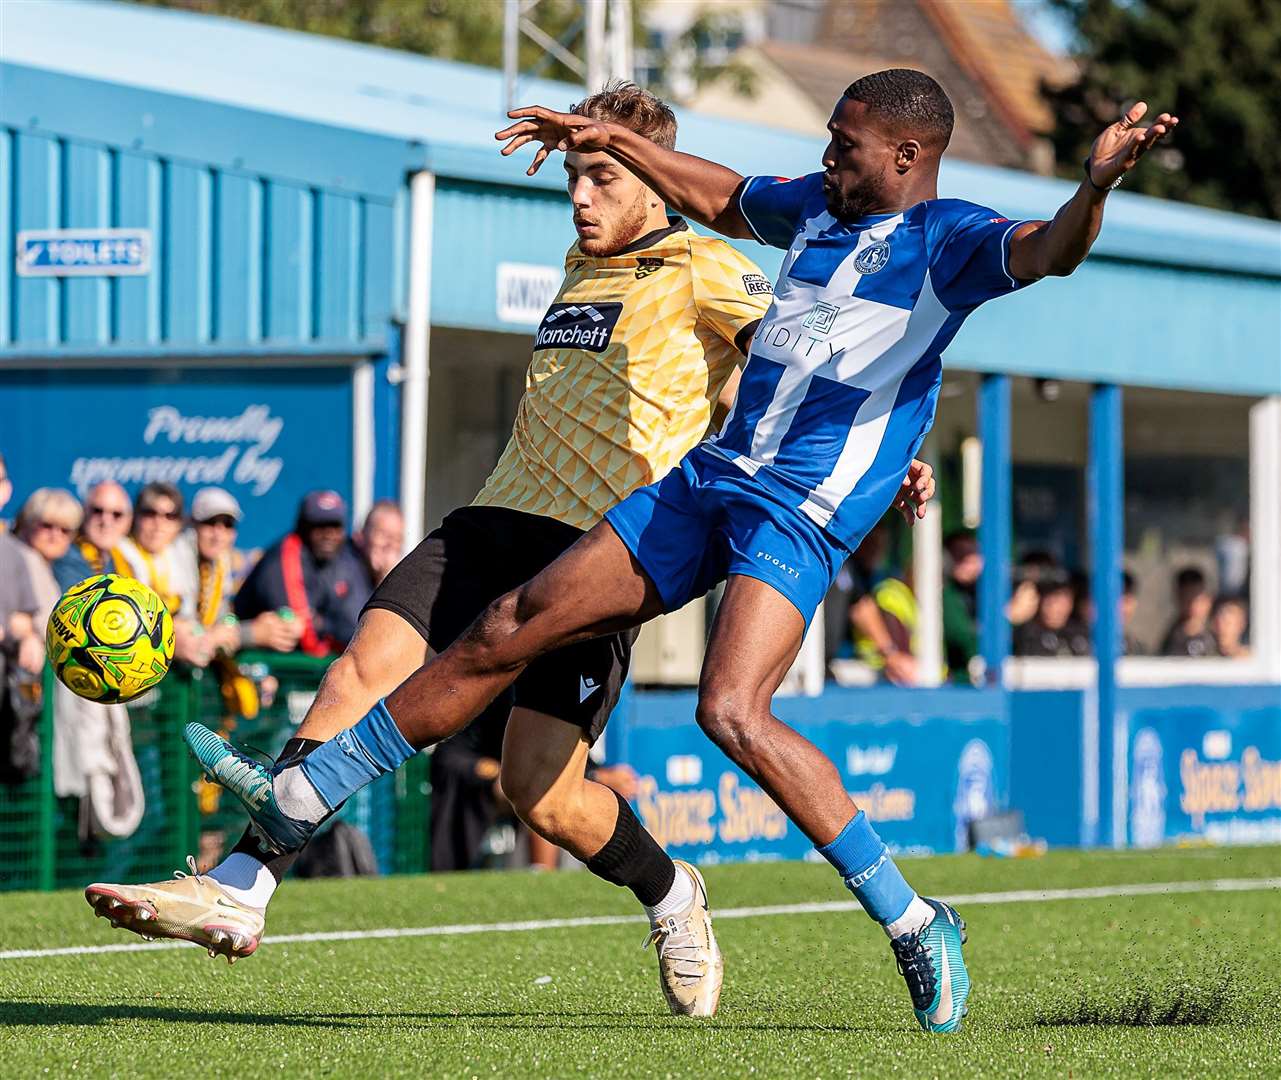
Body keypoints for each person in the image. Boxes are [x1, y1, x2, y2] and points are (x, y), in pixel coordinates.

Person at [183, 69, 1172, 1033]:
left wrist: (1092, 189)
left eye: (846, 142)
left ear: (909, 155)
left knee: (731, 712)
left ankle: (915, 921)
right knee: (511, 620)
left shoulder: (944, 238)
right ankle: (304, 792)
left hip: (799, 510)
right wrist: (613, 139)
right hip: (711, 478)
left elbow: (1048, 253)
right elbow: (726, 193)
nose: (827, 154)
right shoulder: (816, 210)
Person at [89, 79, 934, 1017]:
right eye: (574, 177)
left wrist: (889, 457)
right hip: (489, 524)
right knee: (358, 670)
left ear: (654, 180)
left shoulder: (707, 265)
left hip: (593, 558)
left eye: (603, 177)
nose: (581, 197)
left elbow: (809, 365)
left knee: (544, 796)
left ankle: (672, 893)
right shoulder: (582, 264)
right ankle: (242, 889)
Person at [232, 491, 370, 655]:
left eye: (335, 525)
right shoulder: (282, 558)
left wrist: (323, 623)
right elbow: (302, 637)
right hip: (256, 662)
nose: (328, 534)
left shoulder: (345, 557)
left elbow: (358, 626)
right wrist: (328, 625)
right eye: (319, 525)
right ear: (303, 527)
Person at [188, 488, 300, 654]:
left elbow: (222, 623)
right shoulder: (178, 557)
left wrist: (274, 626)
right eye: (210, 523)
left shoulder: (219, 563)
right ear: (192, 524)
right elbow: (189, 638)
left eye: (228, 525)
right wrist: (252, 633)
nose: (218, 534)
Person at [58, 480, 133, 587]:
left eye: (116, 514)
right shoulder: (67, 556)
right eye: (98, 511)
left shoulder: (124, 560)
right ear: (84, 512)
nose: (106, 521)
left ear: (128, 520)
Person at [1013, 570, 1091, 657]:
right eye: (1049, 600)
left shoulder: (1083, 632)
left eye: (1062, 600)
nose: (1055, 607)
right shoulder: (1023, 634)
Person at [941, 529, 981, 681]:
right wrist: (1008, 618)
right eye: (959, 554)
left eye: (972, 554)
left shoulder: (987, 592)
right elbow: (963, 641)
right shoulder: (945, 593)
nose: (967, 562)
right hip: (959, 683)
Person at [1161, 566, 1217, 657]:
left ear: (1208, 601)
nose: (1192, 605)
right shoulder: (1172, 639)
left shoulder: (1218, 637)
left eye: (1197, 599)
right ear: (1178, 598)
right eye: (1186, 598)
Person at [352, 500, 404, 588]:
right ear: (361, 536)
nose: (390, 545)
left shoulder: (403, 576)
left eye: (397, 539)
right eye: (383, 535)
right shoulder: (342, 570)